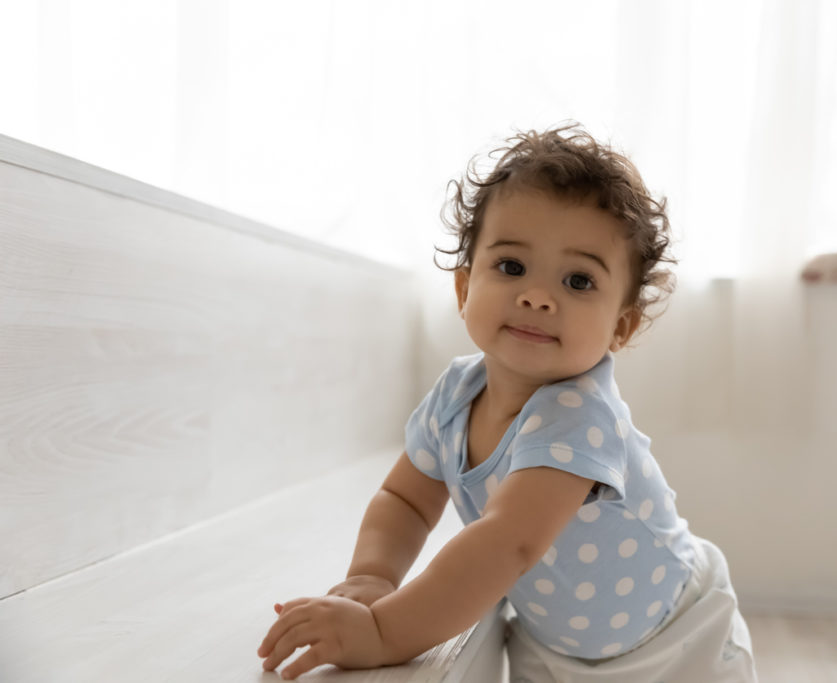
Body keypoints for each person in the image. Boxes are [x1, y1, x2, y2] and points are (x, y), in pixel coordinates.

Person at [257, 124, 757, 682]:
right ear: (464, 289)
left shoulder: (577, 416)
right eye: (512, 267)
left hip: (675, 641)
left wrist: (382, 633)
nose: (537, 296)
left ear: (621, 326)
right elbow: (405, 498)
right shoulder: (455, 395)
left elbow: (506, 546)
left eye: (578, 280)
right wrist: (373, 576)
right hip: (555, 643)